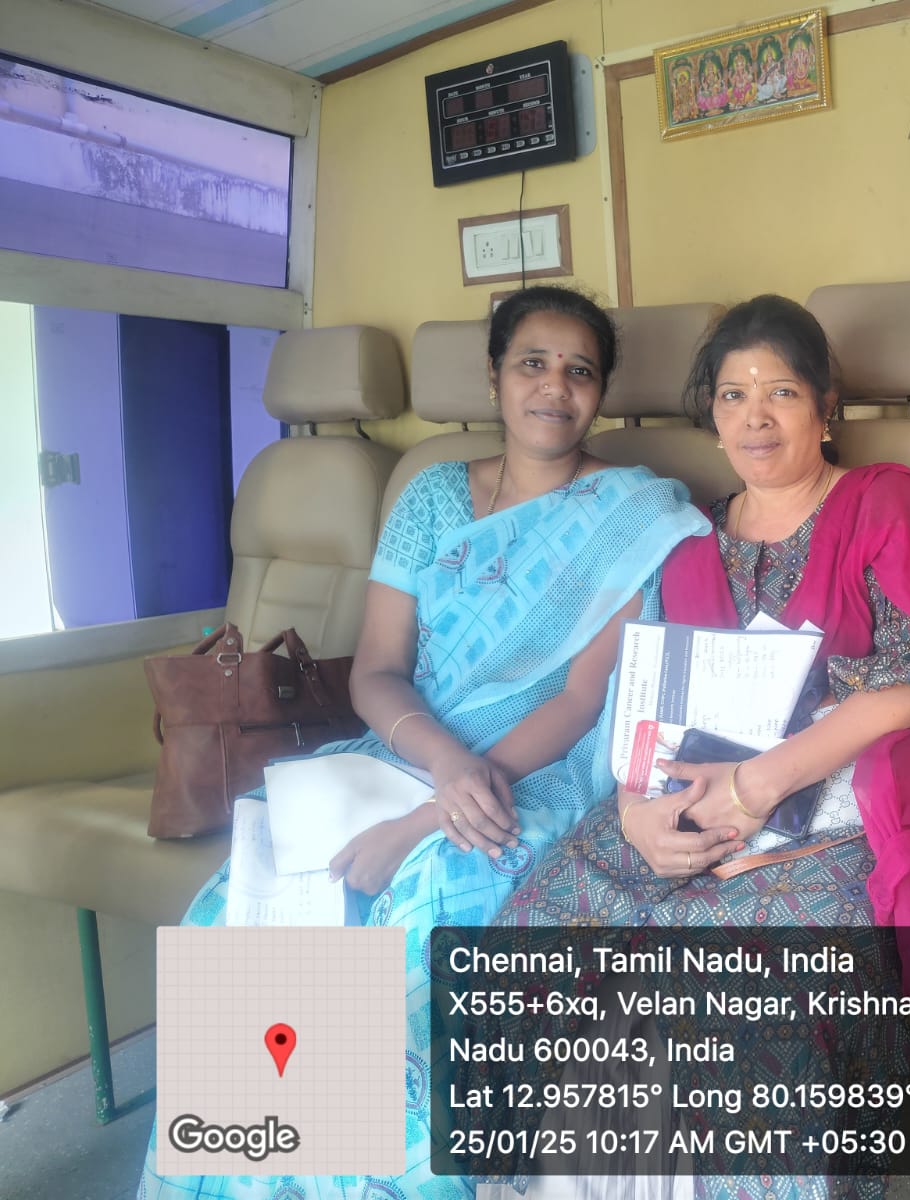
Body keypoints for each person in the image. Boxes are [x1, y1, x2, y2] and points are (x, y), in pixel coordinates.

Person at [136, 286, 710, 1200]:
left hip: (537, 770)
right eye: (532, 363)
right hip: (408, 752)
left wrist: (436, 810)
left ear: (601, 391)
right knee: (245, 900)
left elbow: (580, 698)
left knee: (430, 909)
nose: (554, 387)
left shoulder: (634, 515)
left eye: (579, 370)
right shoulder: (432, 498)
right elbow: (376, 671)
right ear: (494, 375)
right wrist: (441, 766)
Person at [493, 294, 910, 1198]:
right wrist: (635, 813)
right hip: (685, 797)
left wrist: (759, 788)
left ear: (825, 406)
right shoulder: (690, 541)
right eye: (732, 395)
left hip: (834, 811)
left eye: (781, 392)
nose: (755, 416)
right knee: (531, 936)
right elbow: (648, 700)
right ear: (712, 415)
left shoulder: (882, 502)